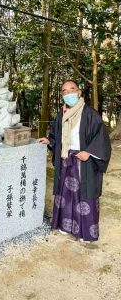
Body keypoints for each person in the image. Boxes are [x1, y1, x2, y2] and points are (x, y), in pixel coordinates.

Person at [37, 80, 111, 243]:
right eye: (64, 91)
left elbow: (101, 139)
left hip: (83, 160)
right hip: (65, 158)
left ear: (79, 93)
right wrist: (49, 141)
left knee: (84, 194)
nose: (68, 94)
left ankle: (86, 234)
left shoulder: (90, 114)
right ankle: (65, 226)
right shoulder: (61, 115)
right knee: (66, 194)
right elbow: (56, 136)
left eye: (72, 90)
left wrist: (89, 153)